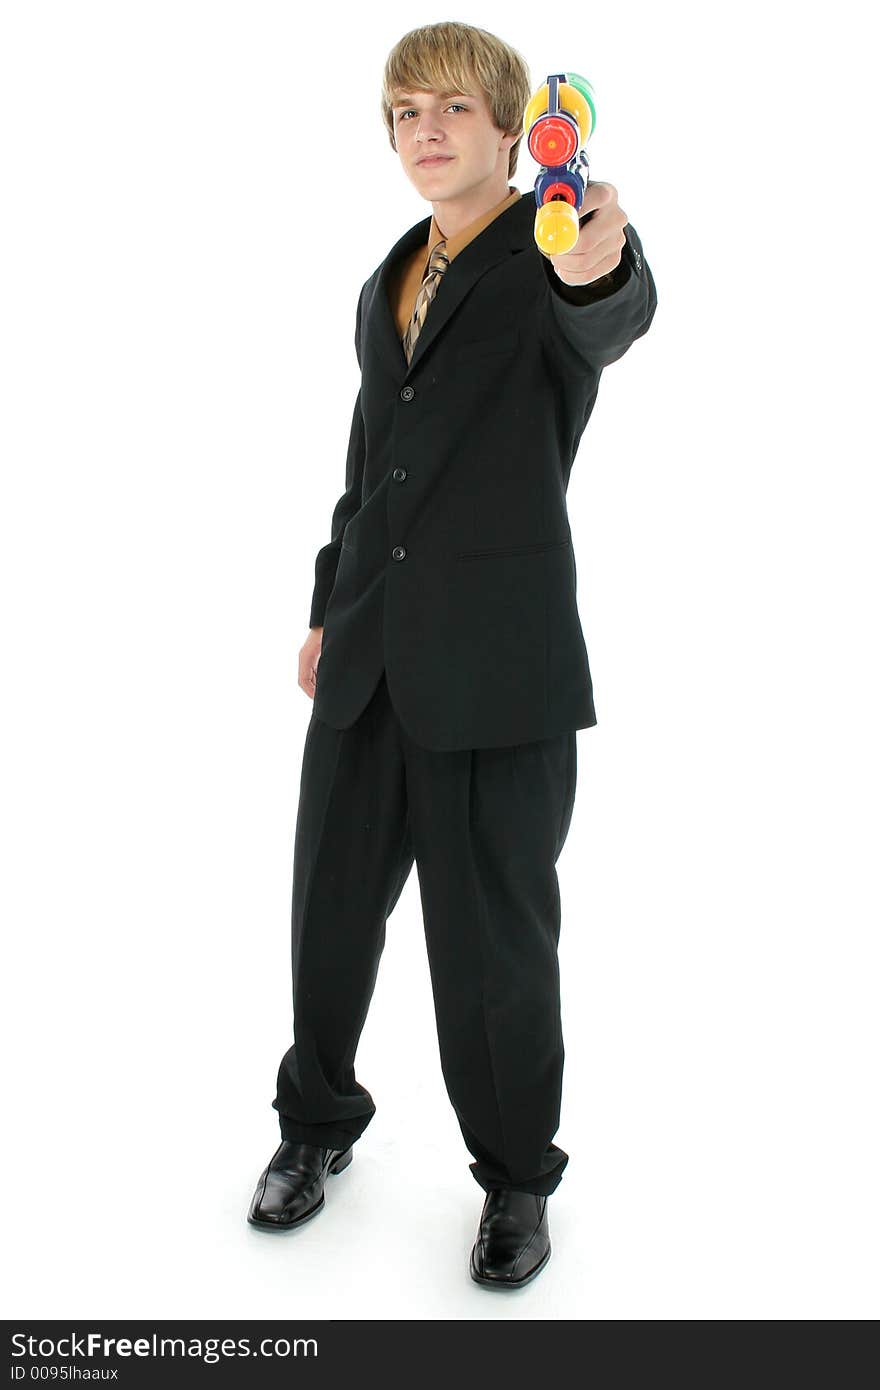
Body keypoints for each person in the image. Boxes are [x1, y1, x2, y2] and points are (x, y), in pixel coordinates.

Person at [247, 21, 657, 1289]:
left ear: (506, 125)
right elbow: (372, 462)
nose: (422, 131)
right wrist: (328, 601)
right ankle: (314, 1129)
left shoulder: (548, 255)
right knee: (325, 918)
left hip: (498, 669)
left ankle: (518, 1180)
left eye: (449, 110)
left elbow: (610, 307)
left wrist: (602, 259)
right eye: (402, 112)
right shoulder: (391, 277)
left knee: (491, 953)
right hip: (368, 653)